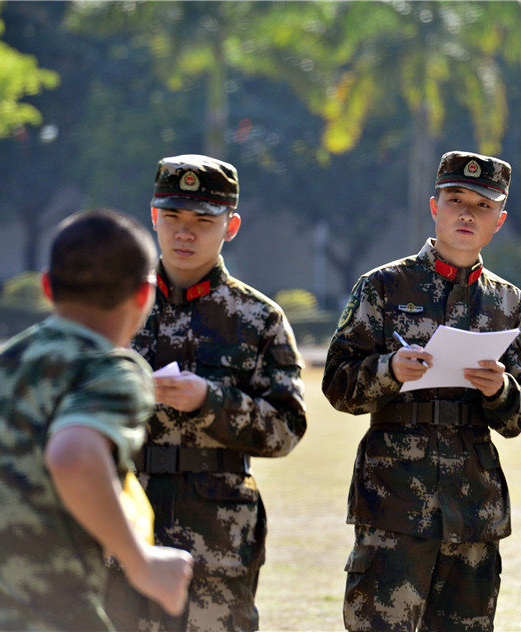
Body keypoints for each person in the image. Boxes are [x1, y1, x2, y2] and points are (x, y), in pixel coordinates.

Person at [0, 209, 194, 631]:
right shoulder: (110, 369)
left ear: (47, 287)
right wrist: (142, 563)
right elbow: (74, 456)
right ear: (144, 294)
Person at [323, 150, 521, 632]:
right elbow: (337, 384)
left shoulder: (507, 301)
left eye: (482, 206)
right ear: (434, 207)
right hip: (394, 499)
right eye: (455, 200)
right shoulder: (383, 286)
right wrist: (389, 370)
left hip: (473, 506)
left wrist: (500, 390)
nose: (467, 214)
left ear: (499, 220)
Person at [105, 154, 308, 631]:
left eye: (203, 221)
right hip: (124, 522)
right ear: (154, 218)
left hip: (218, 537)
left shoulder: (259, 318)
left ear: (230, 226)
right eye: (173, 217)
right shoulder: (114, 306)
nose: (185, 233)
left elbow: (287, 428)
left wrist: (210, 402)